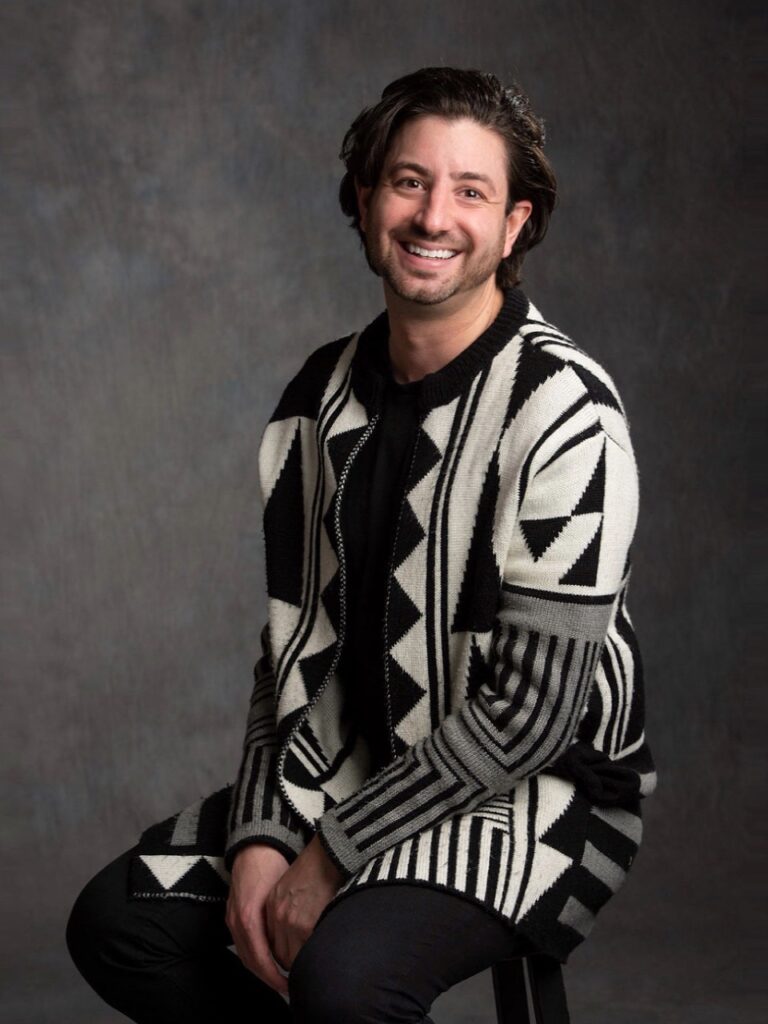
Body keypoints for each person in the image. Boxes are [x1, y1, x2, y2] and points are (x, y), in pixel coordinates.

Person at [67, 66, 657, 1023]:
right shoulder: (317, 399)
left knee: (344, 978)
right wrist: (263, 831)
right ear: (365, 198)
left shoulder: (565, 411)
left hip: (543, 797)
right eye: (409, 181)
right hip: (356, 763)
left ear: (515, 225)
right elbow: (290, 656)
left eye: (472, 191)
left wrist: (327, 855)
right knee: (115, 923)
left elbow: (535, 717)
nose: (434, 216)